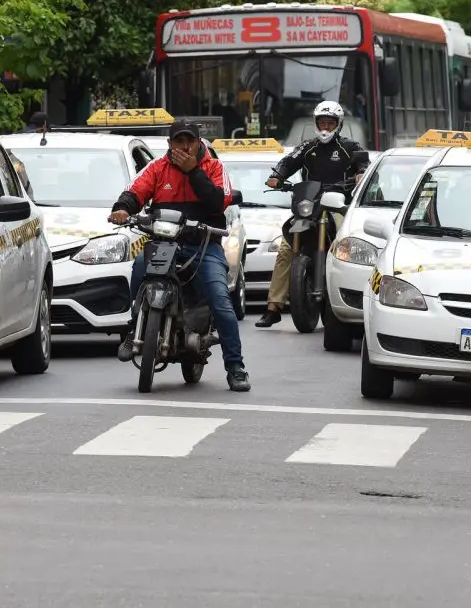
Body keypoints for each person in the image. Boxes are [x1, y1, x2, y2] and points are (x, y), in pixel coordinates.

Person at [108, 119, 249, 392]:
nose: (184, 147)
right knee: (138, 268)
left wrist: (193, 171)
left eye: (190, 141)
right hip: (163, 244)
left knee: (221, 301)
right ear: (170, 144)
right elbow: (135, 191)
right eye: (178, 142)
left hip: (204, 246)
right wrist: (122, 208)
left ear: (198, 143)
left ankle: (236, 367)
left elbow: (218, 202)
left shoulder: (214, 167)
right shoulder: (157, 168)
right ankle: (132, 328)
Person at [256, 101, 369, 328]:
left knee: (344, 246)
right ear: (316, 124)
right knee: (286, 248)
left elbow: (362, 164)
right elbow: (288, 162)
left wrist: (360, 174)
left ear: (338, 124)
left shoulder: (349, 146)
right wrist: (277, 176)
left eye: (330, 123)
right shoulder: (307, 147)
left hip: (337, 207)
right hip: (310, 206)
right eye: (322, 122)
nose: (326, 127)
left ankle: (349, 298)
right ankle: (274, 307)